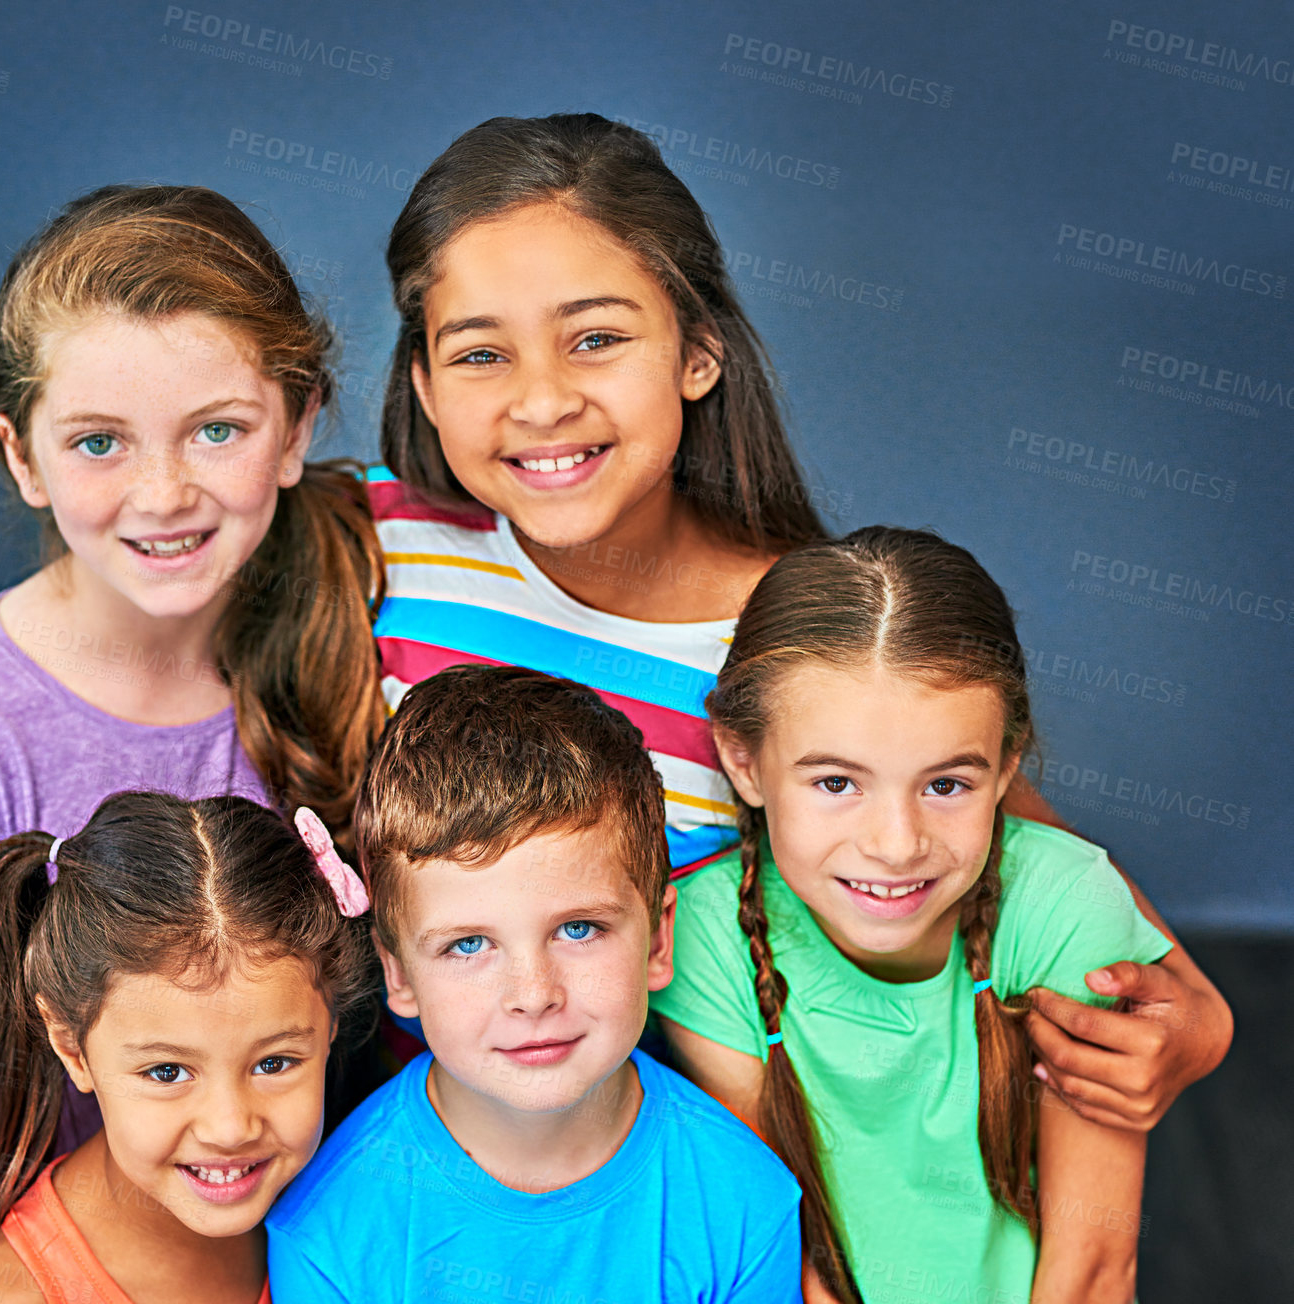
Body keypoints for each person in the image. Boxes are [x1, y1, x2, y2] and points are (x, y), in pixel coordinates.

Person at [366, 111, 1230, 1125]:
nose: (542, 400)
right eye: (478, 355)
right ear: (422, 382)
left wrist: (1194, 1017)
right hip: (402, 1152)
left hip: (690, 1173)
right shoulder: (377, 542)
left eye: (594, 338)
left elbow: (1001, 828)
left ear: (698, 351)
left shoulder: (798, 635)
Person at [0, 184, 384, 1303]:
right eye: (98, 442)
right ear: (23, 456)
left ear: (298, 426)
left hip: (287, 1248)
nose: (165, 491)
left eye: (217, 429)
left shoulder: (375, 591)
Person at [651, 527, 1173, 1303]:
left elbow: (1093, 1265)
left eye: (946, 785)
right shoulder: (703, 936)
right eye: (835, 783)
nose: (896, 846)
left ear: (1005, 768)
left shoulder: (1064, 903)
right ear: (743, 761)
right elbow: (787, 1259)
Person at [263, 666, 804, 1301]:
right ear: (397, 972)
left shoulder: (745, 1201)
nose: (534, 993)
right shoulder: (328, 1227)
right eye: (468, 944)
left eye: (579, 929)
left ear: (657, 941)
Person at [0, 792, 373, 1303]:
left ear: (330, 1023)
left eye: (273, 1063)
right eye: (166, 1073)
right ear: (71, 1047)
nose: (229, 1128)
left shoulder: (376, 1203)